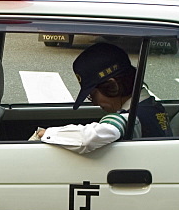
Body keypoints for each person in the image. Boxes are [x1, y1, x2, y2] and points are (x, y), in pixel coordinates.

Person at [32, 41, 171, 154]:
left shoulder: (128, 118)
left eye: (92, 96)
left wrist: (46, 134)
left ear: (112, 87)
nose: (95, 104)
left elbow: (89, 138)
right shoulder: (153, 107)